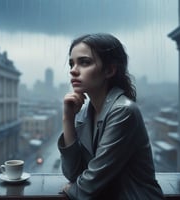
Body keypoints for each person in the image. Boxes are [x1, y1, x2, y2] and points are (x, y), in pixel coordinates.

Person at [57, 33, 164, 200]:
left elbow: (88, 186)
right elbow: (73, 173)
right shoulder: (85, 113)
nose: (73, 70)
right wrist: (68, 118)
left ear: (110, 70)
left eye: (84, 62)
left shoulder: (123, 111)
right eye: (72, 63)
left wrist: (72, 189)